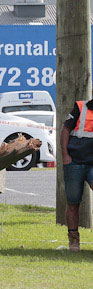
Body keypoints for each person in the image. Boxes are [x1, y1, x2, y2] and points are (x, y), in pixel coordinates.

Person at [61, 98, 93, 252]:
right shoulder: (80, 107)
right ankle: (74, 240)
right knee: (73, 202)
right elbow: (65, 130)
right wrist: (65, 156)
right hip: (74, 162)